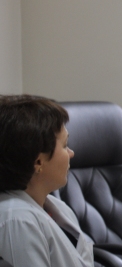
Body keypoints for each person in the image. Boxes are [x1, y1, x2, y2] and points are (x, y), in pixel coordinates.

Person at [0, 95, 94, 267]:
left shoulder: (57, 207)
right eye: (65, 145)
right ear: (38, 162)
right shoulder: (17, 220)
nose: (71, 153)